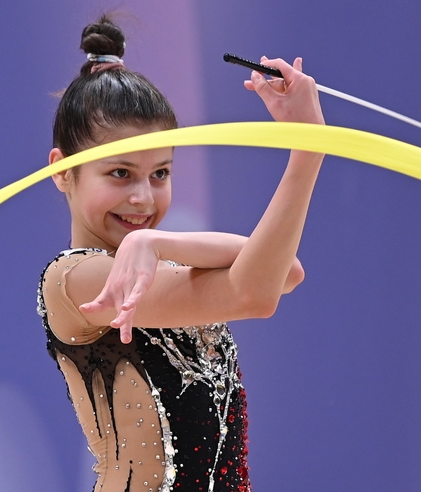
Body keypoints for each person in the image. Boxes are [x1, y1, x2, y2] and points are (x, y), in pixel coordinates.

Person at [36, 15, 324, 492]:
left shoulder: (159, 263)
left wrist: (159, 242)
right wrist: (307, 152)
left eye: (161, 174)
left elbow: (285, 270)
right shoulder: (74, 280)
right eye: (120, 174)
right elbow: (257, 291)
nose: (144, 199)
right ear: (64, 171)